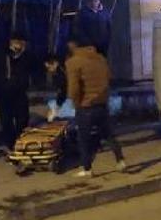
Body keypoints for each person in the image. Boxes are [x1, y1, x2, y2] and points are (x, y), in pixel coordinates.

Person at [66, 35, 125, 177]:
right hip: (102, 104)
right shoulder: (101, 59)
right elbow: (108, 78)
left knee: (83, 139)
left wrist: (75, 102)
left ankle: (87, 169)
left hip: (85, 106)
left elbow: (74, 87)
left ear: (74, 45)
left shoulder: (73, 62)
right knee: (109, 134)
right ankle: (120, 160)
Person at [0, 31, 38, 149]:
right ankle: (10, 145)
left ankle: (22, 143)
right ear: (11, 42)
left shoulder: (27, 56)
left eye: (22, 43)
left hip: (20, 93)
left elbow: (33, 70)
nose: (20, 45)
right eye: (17, 42)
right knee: (6, 121)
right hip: (4, 94)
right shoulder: (2, 55)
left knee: (22, 119)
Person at [44, 54, 68, 122]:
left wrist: (55, 109)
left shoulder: (62, 73)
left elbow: (63, 91)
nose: (48, 70)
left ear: (55, 63)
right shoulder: (59, 72)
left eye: (49, 67)